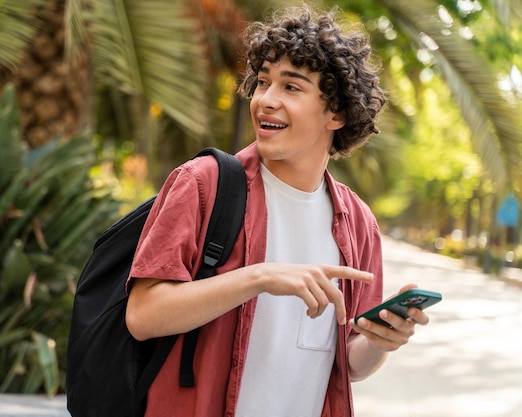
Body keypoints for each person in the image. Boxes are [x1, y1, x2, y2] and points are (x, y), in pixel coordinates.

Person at [125, 5, 430, 417]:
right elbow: (143, 316)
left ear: (335, 113)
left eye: (291, 87)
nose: (265, 101)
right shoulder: (204, 183)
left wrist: (380, 341)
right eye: (263, 82)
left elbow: (348, 364)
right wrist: (261, 276)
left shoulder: (357, 223)